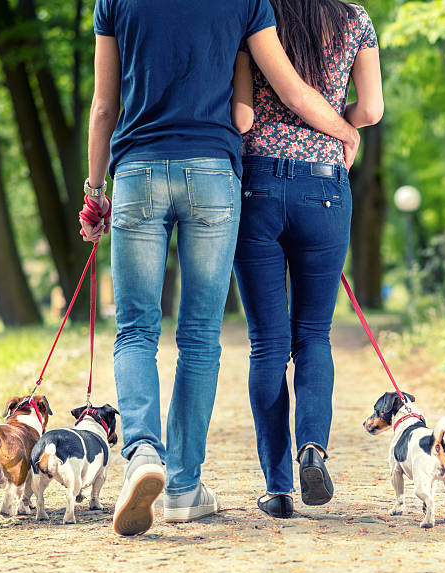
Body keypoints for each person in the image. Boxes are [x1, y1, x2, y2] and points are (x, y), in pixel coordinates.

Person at [81, 0, 362, 536]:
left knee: (136, 329)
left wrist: (96, 193)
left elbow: (102, 105)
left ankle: (142, 454)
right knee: (201, 336)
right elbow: (289, 90)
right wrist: (343, 131)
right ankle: (184, 487)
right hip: (213, 173)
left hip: (137, 169)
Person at [232, 0, 383, 518]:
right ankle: (312, 449)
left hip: (257, 186)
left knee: (266, 343)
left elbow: (244, 113)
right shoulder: (354, 19)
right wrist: (344, 124)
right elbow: (372, 110)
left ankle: (277, 488)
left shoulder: (255, 13)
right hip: (323, 185)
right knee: (313, 334)